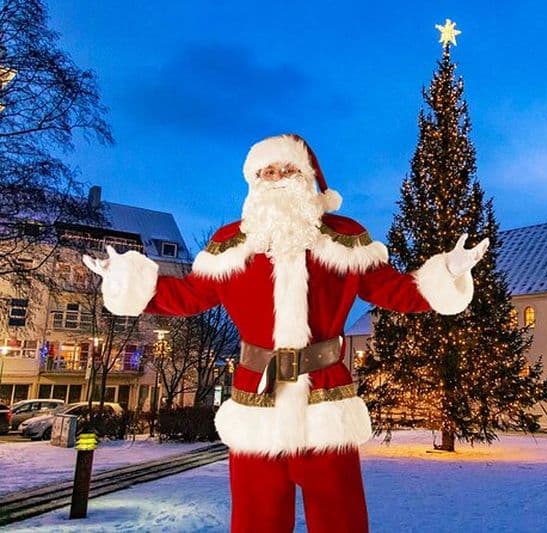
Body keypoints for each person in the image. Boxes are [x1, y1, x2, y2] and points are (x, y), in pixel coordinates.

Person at [83, 134, 489, 533]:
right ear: (254, 182)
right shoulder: (230, 245)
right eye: (267, 171)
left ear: (307, 177)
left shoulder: (343, 240)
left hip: (325, 400)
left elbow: (396, 290)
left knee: (340, 519)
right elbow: (187, 296)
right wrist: (125, 279)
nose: (276, 177)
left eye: (287, 169)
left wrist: (448, 273)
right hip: (257, 403)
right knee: (256, 519)